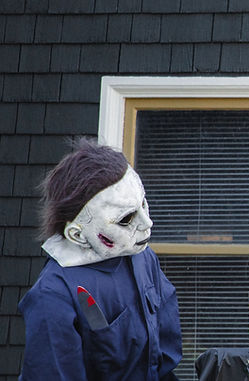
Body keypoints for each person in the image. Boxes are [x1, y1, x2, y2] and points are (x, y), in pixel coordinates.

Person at [18, 139, 182, 380]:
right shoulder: (54, 294)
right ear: (77, 234)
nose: (147, 223)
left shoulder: (141, 256)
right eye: (126, 218)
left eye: (143, 204)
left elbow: (164, 354)